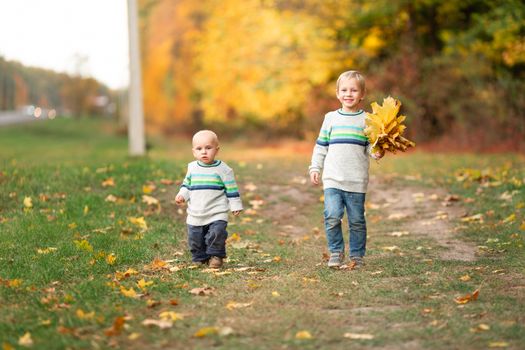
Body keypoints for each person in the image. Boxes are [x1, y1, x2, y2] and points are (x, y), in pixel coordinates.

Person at [309, 70, 383, 268]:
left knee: (357, 220)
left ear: (362, 94)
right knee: (332, 216)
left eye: (353, 90)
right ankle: (336, 252)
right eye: (344, 90)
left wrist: (376, 152)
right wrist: (315, 167)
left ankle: (357, 255)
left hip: (356, 180)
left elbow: (370, 146)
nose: (348, 94)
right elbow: (321, 145)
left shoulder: (367, 120)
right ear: (337, 93)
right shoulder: (331, 118)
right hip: (333, 179)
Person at [175, 130, 243, 268]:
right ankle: (199, 257)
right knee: (195, 238)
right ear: (194, 152)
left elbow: (231, 188)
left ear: (216, 150)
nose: (204, 152)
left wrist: (235, 205)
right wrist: (182, 194)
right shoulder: (192, 168)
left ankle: (216, 256)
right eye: (199, 149)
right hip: (196, 212)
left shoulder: (223, 169)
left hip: (217, 211)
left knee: (217, 233)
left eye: (208, 148)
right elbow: (187, 185)